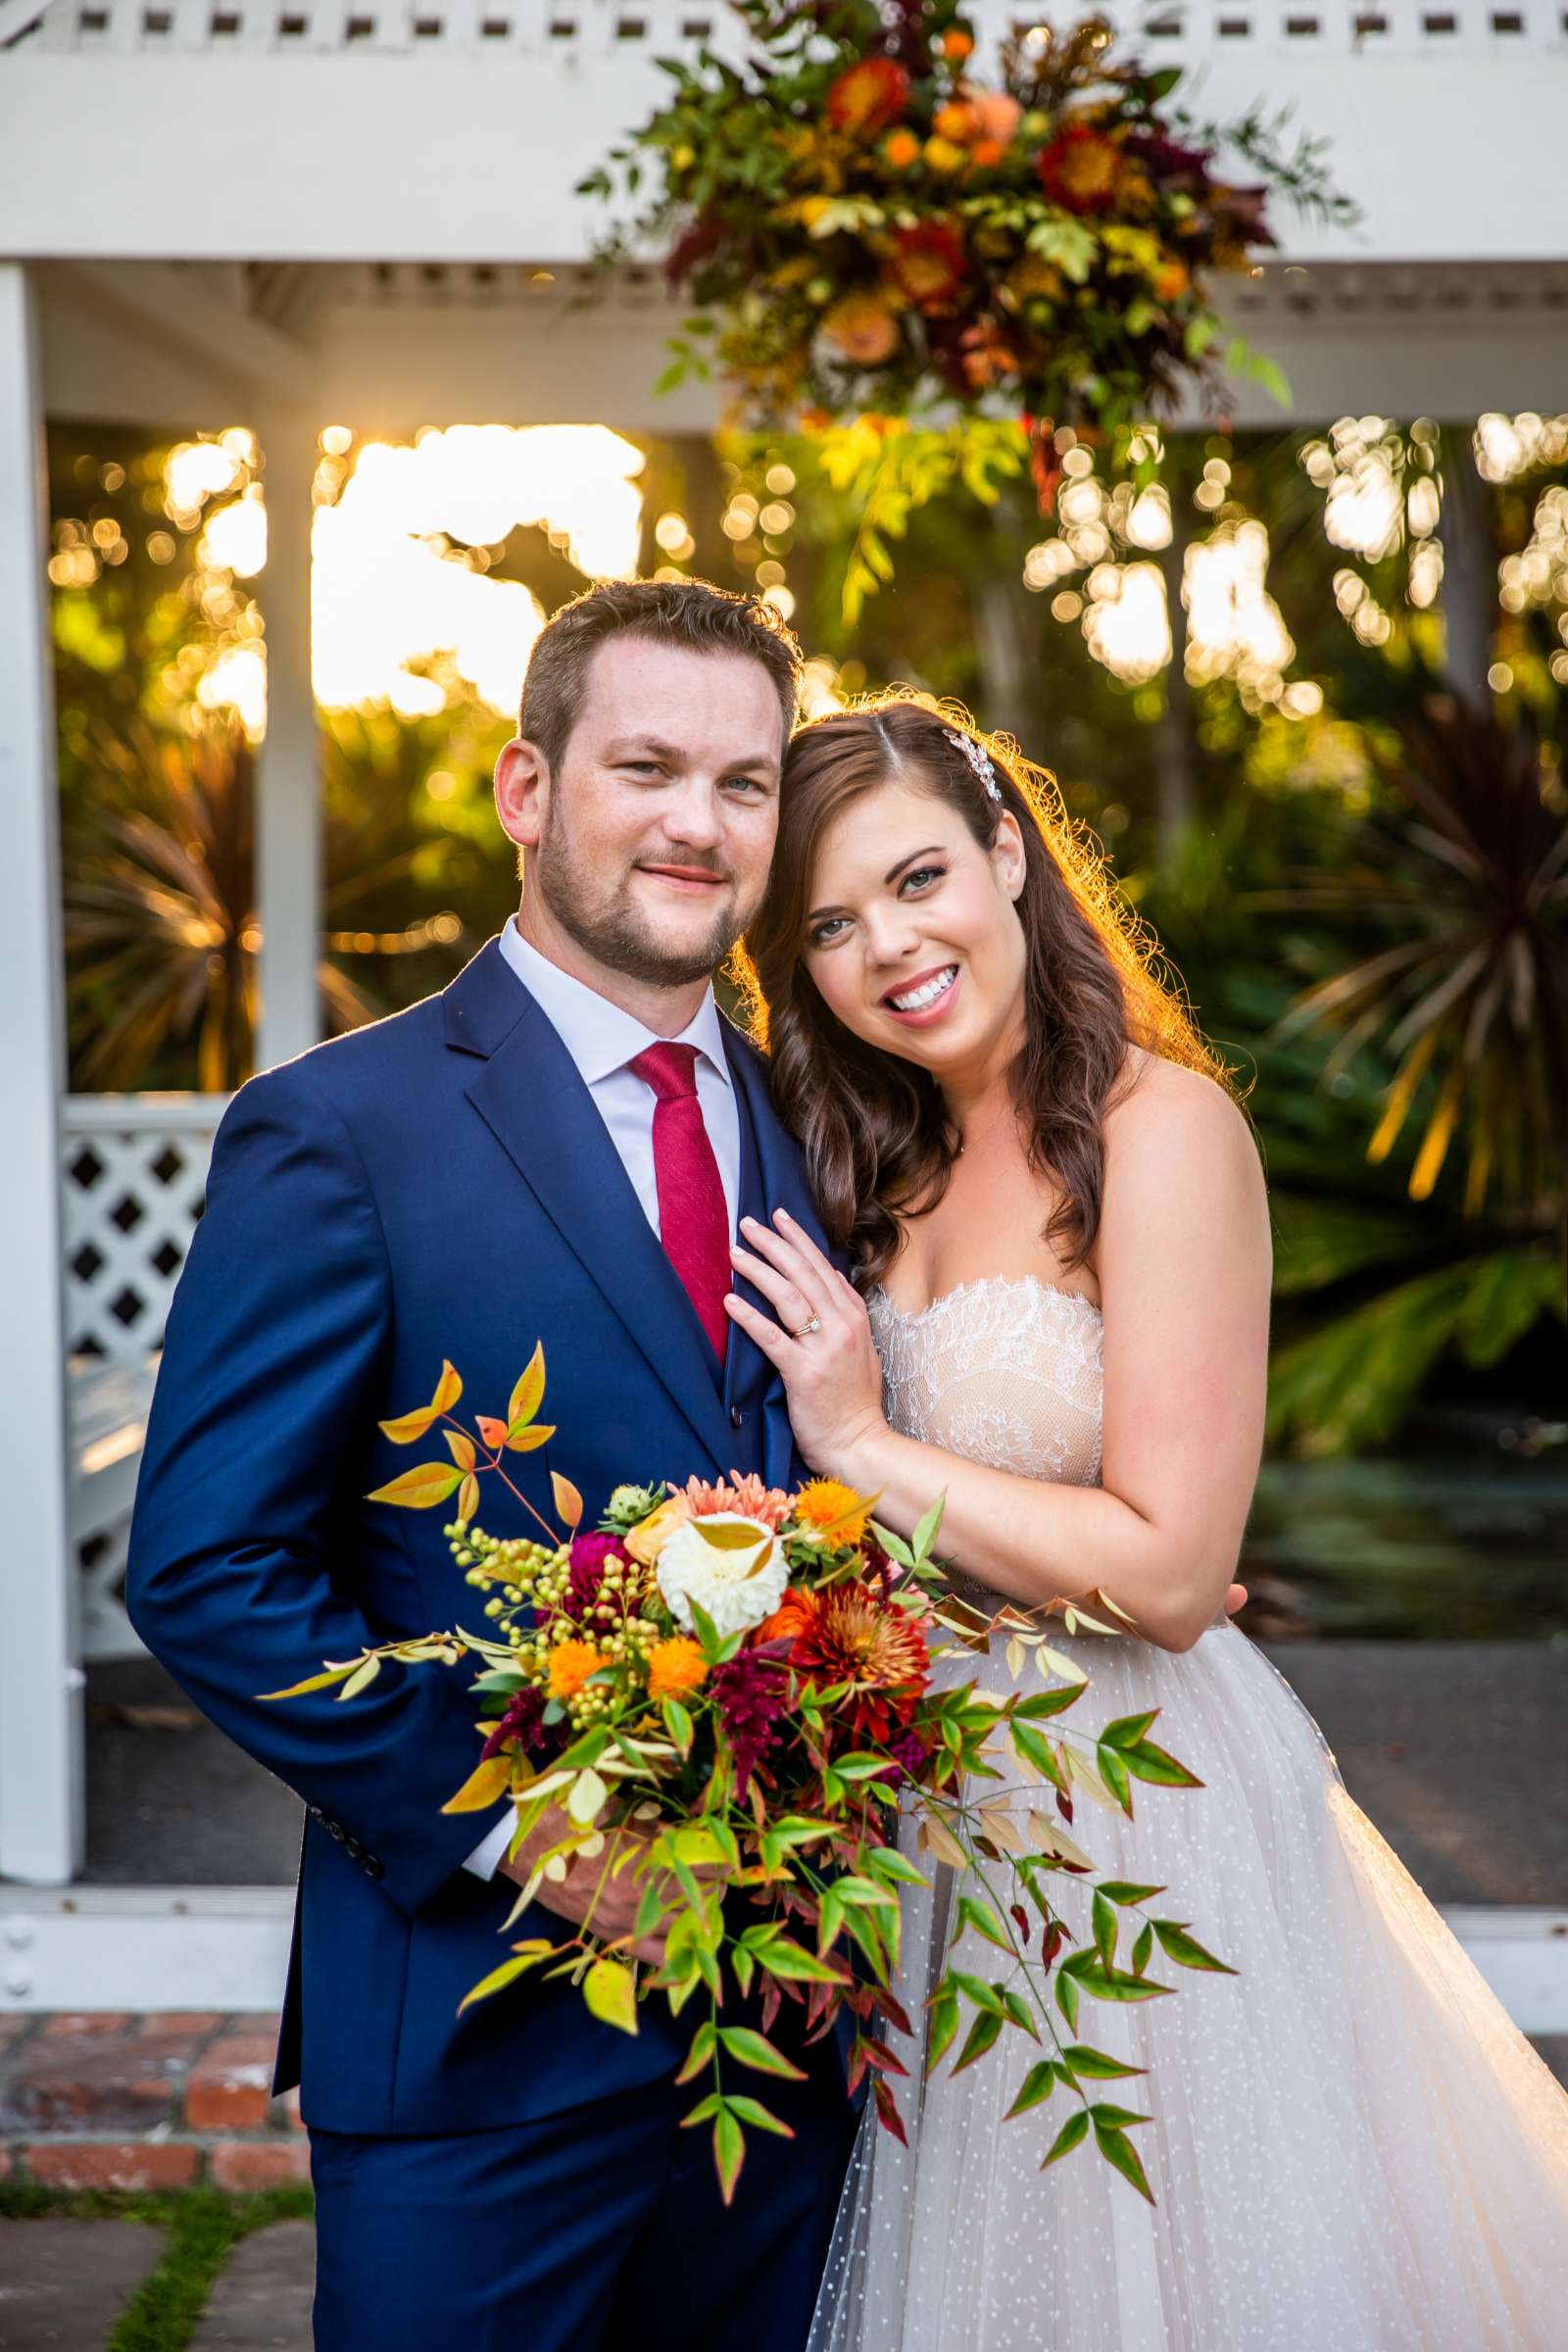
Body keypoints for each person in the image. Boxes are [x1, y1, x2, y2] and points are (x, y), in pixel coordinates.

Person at [727, 694, 1568, 2352]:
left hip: (1138, 1820)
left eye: (916, 880)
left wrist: (860, 1443)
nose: (888, 944)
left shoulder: (1163, 1137)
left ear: (1010, 855)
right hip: (931, 1821)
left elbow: (1177, 1574)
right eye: (829, 924)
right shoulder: (862, 1157)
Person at [125, 579, 860, 2352]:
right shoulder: (341, 1126)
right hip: (473, 2037)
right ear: (530, 789)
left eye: (745, 783)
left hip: (782, 2040)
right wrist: (525, 1830)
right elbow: (209, 1568)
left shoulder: (815, 1124)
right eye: (648, 766)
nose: (698, 821)